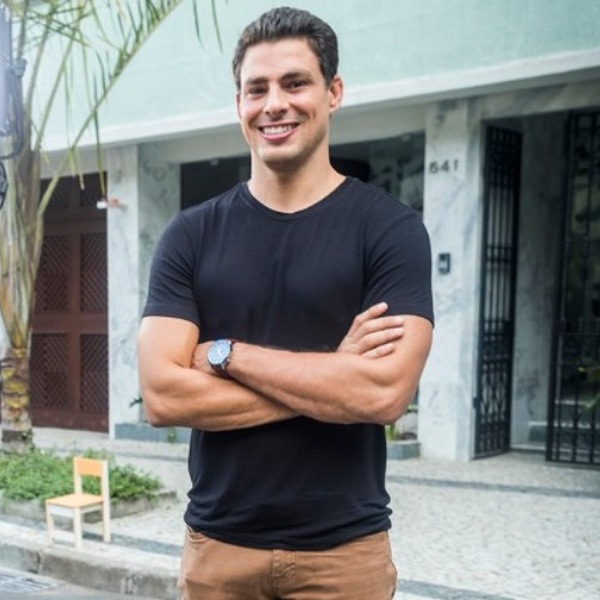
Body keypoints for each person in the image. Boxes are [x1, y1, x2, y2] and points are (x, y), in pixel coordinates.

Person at [137, 6, 434, 600]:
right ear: (239, 103)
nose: (274, 104)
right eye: (257, 89)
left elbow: (382, 394)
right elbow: (162, 396)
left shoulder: (389, 230)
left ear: (334, 92)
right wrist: (332, 379)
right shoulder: (190, 235)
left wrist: (224, 353)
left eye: (295, 83)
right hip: (218, 551)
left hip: (344, 555)